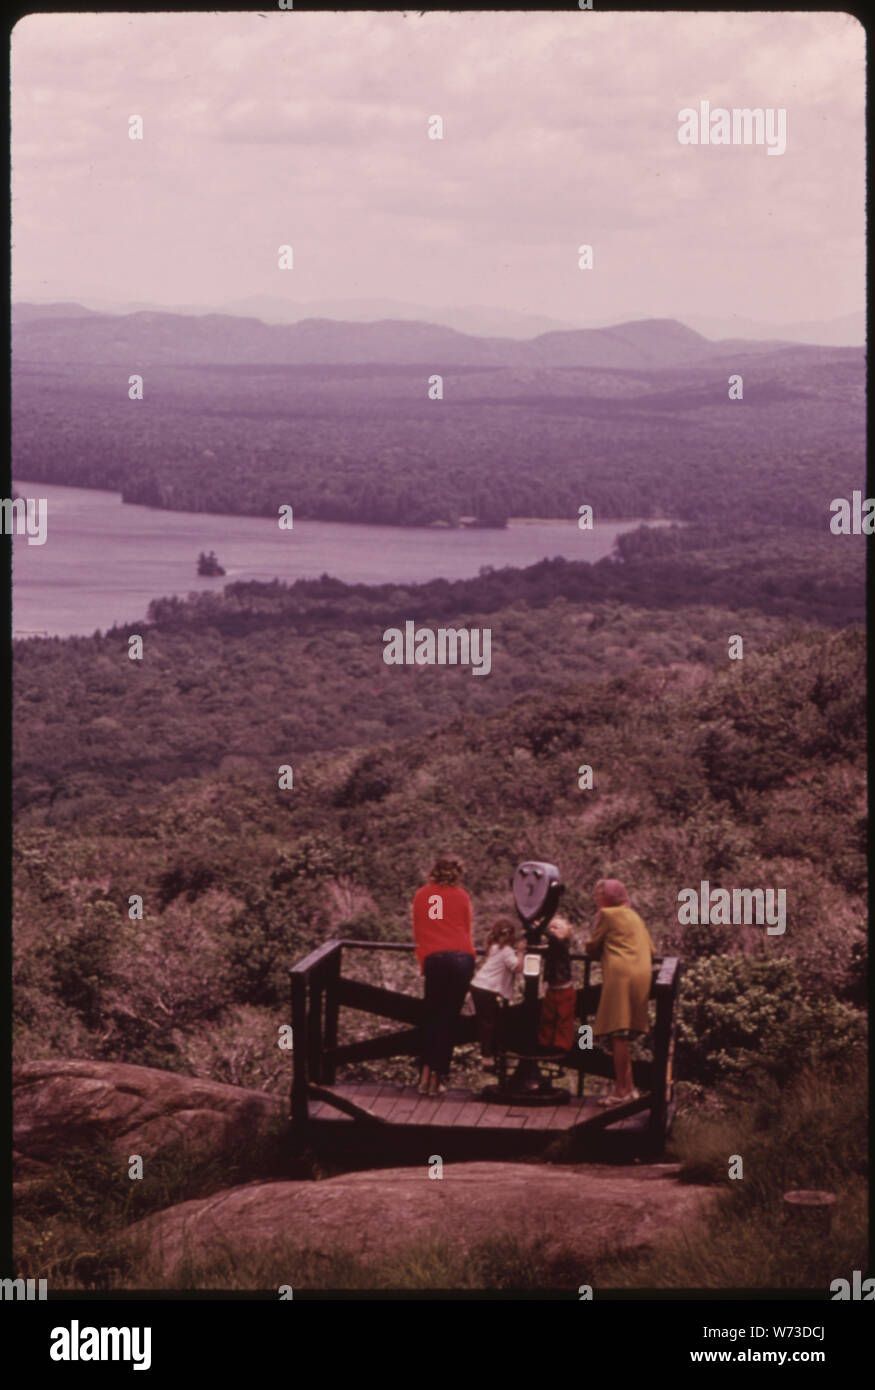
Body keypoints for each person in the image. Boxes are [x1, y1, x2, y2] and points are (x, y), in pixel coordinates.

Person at [584, 878, 654, 1106]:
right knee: (622, 1034)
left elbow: (593, 947)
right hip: (641, 975)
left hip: (620, 976)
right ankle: (630, 1088)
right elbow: (652, 948)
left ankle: (621, 1091)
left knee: (617, 1034)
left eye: (599, 895)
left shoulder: (607, 915)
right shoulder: (634, 915)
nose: (596, 899)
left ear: (607, 898)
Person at [412, 854, 476, 1096]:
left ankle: (425, 1077)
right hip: (461, 958)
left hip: (435, 959)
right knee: (449, 1020)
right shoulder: (461, 896)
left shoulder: (422, 895)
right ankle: (437, 1080)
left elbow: (419, 931)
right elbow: (467, 930)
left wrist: (424, 964)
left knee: (432, 1019)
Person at [470, 918, 523, 1067]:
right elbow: (517, 967)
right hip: (487, 989)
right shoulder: (506, 951)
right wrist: (520, 952)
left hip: (478, 986)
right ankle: (488, 1056)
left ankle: (492, 1054)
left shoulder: (494, 947)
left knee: (488, 1021)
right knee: (490, 1023)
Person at [537, 915, 577, 1053]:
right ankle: (545, 1042)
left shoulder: (562, 945)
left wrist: (542, 928)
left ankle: (561, 1046)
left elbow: (555, 941)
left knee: (563, 1018)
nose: (552, 930)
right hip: (552, 988)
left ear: (566, 933)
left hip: (564, 989)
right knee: (547, 1017)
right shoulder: (551, 946)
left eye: (556, 927)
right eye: (550, 928)